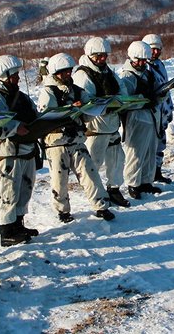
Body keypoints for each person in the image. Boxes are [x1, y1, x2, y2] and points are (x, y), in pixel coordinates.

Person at [37, 53, 116, 222]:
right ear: (55, 73)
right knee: (59, 179)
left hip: (77, 139)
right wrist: (70, 109)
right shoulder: (48, 92)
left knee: (90, 172)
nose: (67, 75)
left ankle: (101, 205)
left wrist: (89, 109)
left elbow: (88, 114)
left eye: (69, 71)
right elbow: (45, 118)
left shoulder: (78, 91)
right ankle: (62, 210)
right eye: (63, 72)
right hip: (56, 142)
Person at [0, 55, 39, 246]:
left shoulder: (20, 95)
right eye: (14, 75)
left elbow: (34, 113)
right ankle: (6, 230)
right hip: (8, 151)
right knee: (8, 192)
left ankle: (18, 224)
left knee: (24, 189)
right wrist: (15, 127)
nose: (18, 78)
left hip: (26, 148)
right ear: (3, 75)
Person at [72, 37, 131, 208]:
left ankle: (114, 189)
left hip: (112, 124)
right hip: (95, 127)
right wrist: (105, 104)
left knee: (117, 159)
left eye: (104, 56)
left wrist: (117, 101)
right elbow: (86, 100)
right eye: (98, 56)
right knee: (93, 164)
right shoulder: (83, 74)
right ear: (90, 55)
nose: (102, 59)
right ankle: (95, 193)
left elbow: (122, 90)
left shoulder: (108, 72)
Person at [119, 41, 163, 200]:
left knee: (150, 150)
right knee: (136, 152)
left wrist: (159, 96)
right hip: (136, 118)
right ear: (132, 58)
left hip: (151, 116)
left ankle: (146, 181)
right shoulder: (127, 76)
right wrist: (144, 100)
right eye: (140, 60)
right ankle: (133, 183)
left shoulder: (147, 73)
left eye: (145, 60)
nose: (143, 63)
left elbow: (156, 89)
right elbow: (125, 100)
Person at [142, 34, 174, 184]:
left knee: (160, 143)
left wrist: (169, 108)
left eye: (158, 49)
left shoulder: (160, 65)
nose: (155, 52)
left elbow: (166, 88)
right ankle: (147, 175)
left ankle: (157, 171)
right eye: (152, 49)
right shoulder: (145, 67)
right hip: (152, 112)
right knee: (149, 145)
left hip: (163, 111)